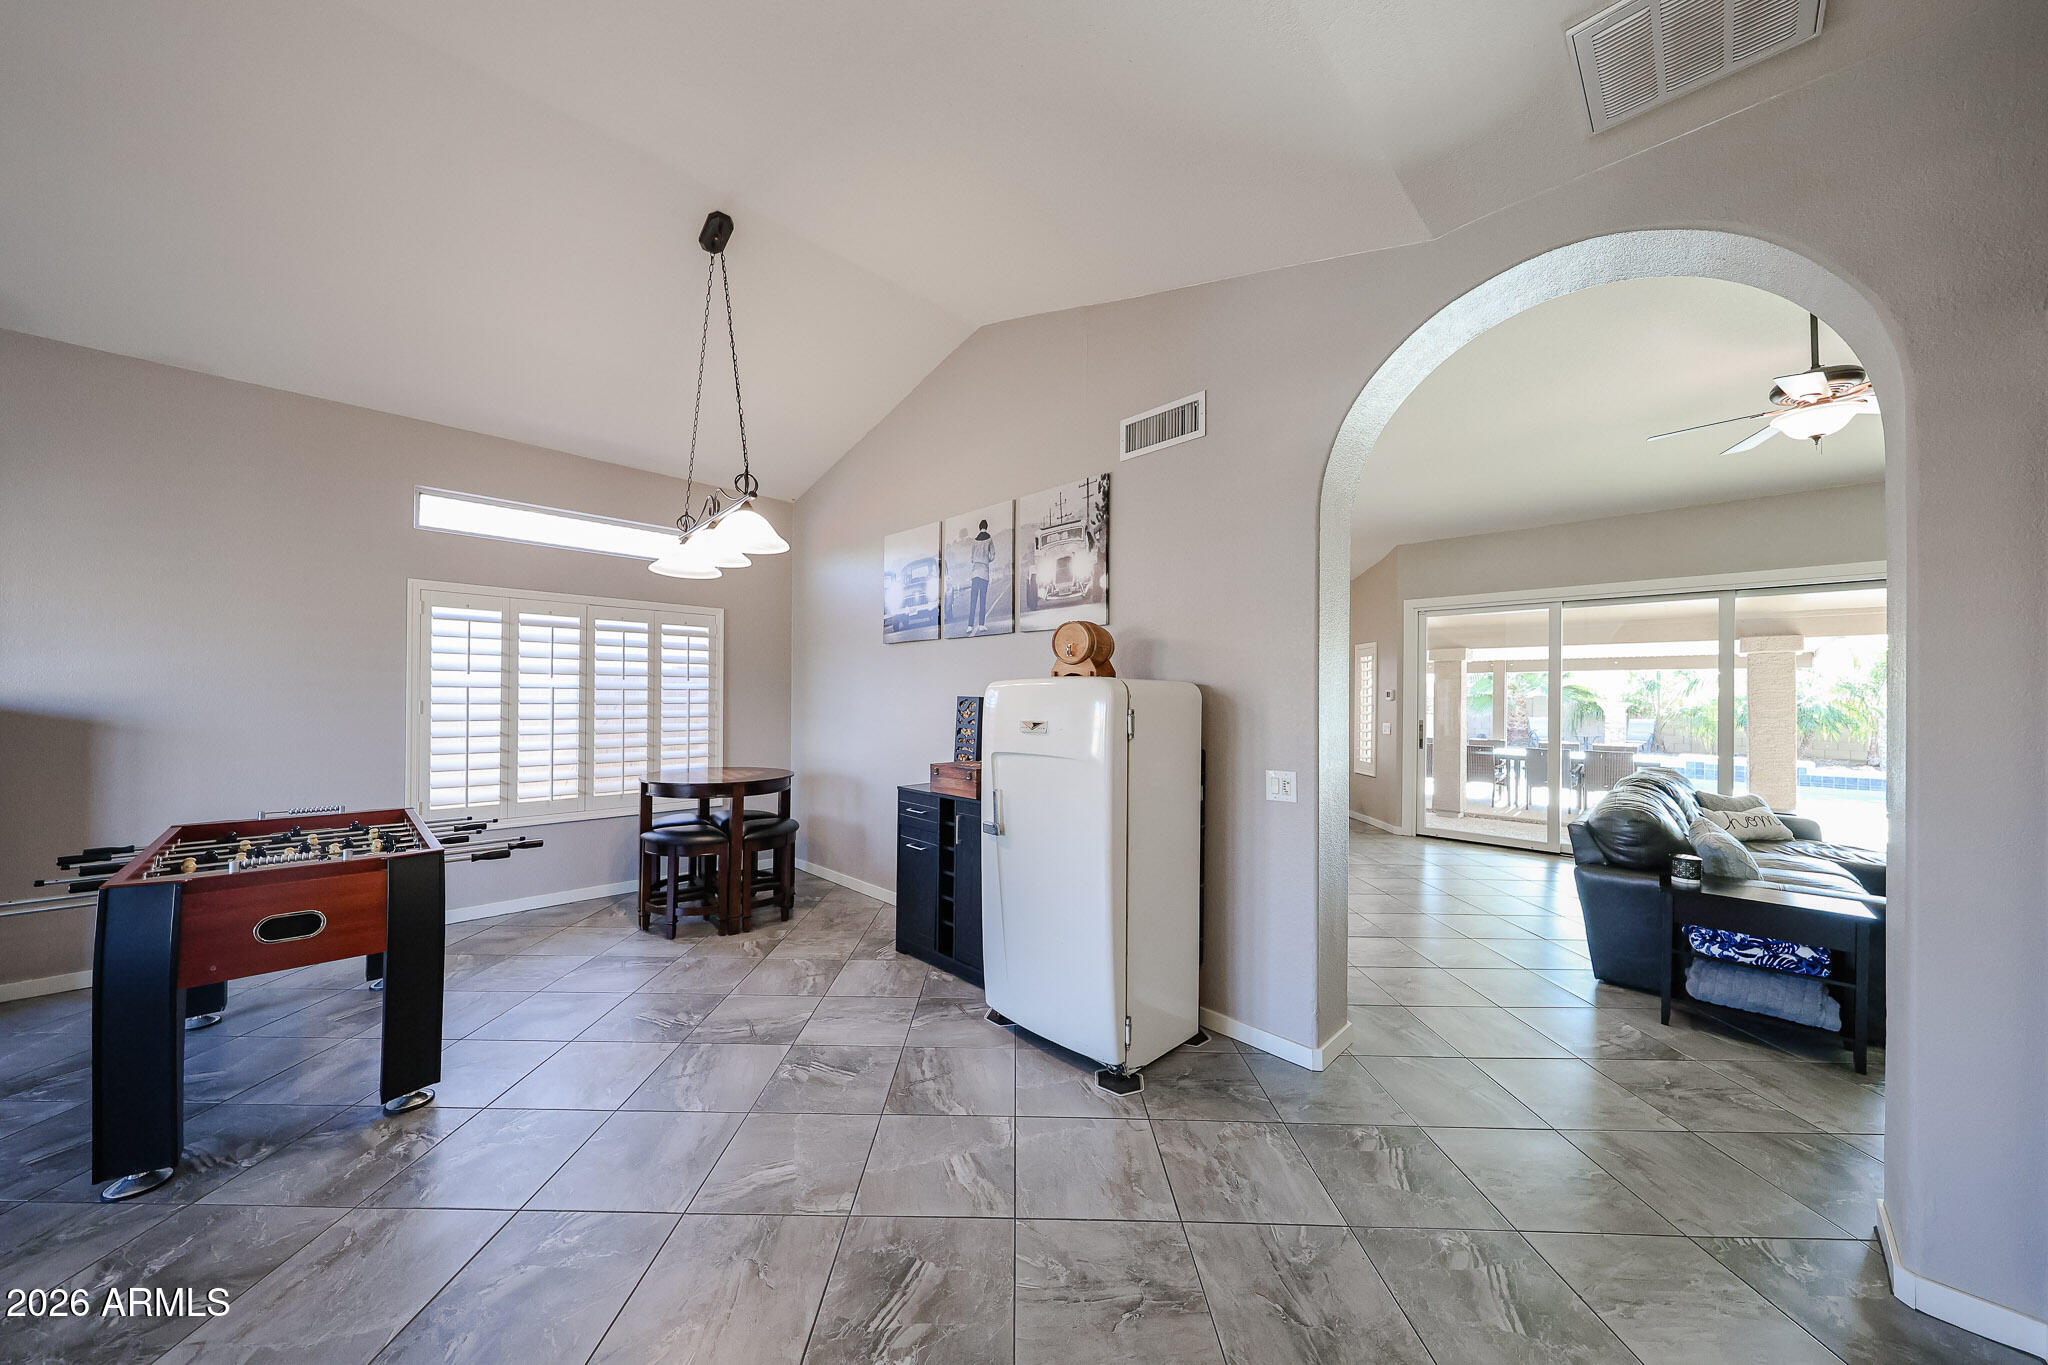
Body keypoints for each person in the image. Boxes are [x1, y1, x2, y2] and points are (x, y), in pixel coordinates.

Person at [968, 520, 993, 630]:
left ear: (979, 528)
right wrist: (987, 560)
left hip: (975, 573)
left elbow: (972, 558)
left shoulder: (974, 540)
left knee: (973, 601)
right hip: (984, 573)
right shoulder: (989, 539)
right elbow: (993, 554)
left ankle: (970, 625)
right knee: (982, 600)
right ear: (986, 527)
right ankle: (981, 625)